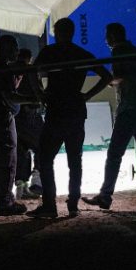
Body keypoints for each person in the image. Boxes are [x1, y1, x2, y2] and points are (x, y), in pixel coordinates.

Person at [25, 18, 112, 218]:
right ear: (72, 32)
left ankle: (49, 205)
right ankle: (73, 203)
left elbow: (31, 71)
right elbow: (107, 77)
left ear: (57, 32)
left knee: (46, 158)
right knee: (75, 160)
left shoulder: (50, 52)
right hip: (76, 110)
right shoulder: (81, 53)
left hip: (56, 111)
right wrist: (87, 95)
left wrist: (40, 94)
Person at [82, 22, 136, 211]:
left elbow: (118, 77)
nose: (106, 40)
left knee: (114, 154)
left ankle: (105, 196)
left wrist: (110, 81)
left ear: (112, 36)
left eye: (107, 36)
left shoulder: (118, 51)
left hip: (129, 109)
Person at [0, 35, 36, 216]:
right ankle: (6, 203)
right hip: (2, 118)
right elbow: (9, 96)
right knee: (7, 160)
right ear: (6, 49)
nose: (17, 52)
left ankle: (3, 200)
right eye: (14, 48)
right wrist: (33, 99)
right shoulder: (3, 69)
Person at [13, 48, 43, 199]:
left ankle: (21, 187)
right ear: (29, 58)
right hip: (30, 115)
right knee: (42, 147)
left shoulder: (9, 69)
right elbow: (38, 91)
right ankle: (37, 180)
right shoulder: (31, 70)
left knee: (21, 152)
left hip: (14, 117)